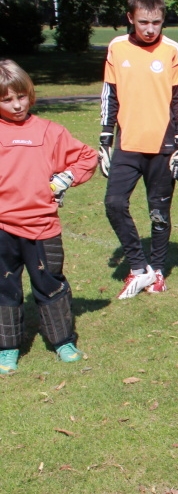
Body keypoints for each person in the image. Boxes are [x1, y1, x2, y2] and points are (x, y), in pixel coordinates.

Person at [0, 60, 98, 374]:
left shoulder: (48, 132)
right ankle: (8, 348)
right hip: (2, 228)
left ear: (30, 94)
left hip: (42, 227)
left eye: (21, 96)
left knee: (50, 284)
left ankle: (62, 340)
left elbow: (87, 156)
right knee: (5, 288)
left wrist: (66, 178)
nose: (16, 105)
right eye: (6, 99)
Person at [99, 0, 178, 299]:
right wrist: (105, 138)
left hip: (163, 147)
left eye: (156, 22)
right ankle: (139, 269)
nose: (150, 29)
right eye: (143, 22)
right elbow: (109, 95)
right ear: (130, 18)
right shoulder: (117, 48)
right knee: (114, 204)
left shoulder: (171, 50)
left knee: (158, 214)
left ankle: (157, 272)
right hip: (128, 145)